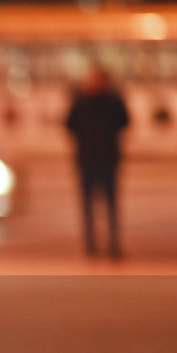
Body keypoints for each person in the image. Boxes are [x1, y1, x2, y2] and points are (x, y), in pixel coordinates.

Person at [66, 65, 130, 258]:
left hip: (108, 160)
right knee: (88, 205)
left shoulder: (112, 102)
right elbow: (69, 125)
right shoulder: (82, 102)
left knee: (110, 205)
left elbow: (125, 122)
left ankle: (113, 244)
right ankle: (91, 245)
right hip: (88, 160)